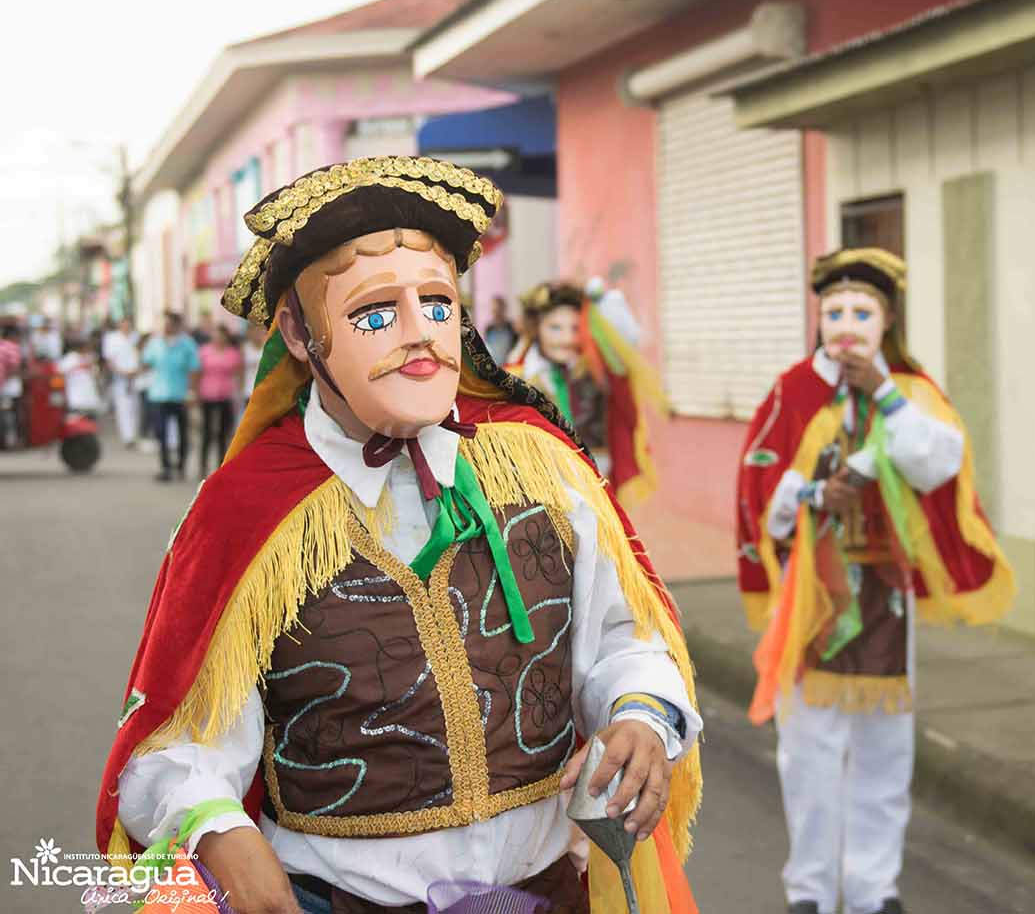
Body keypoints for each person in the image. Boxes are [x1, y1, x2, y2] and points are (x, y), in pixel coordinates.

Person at [97, 156, 703, 914]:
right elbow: (175, 746)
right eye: (376, 312)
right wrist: (217, 829)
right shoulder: (242, 512)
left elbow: (625, 637)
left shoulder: (543, 464)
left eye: (439, 303)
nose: (420, 337)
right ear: (297, 331)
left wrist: (642, 713)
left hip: (547, 895)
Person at [736, 248, 1018, 914]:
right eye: (833, 311)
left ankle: (872, 890)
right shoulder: (793, 390)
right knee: (808, 753)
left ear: (887, 321)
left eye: (862, 311)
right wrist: (811, 492)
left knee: (884, 754)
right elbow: (760, 479)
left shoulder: (910, 391)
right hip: (815, 592)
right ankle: (809, 891)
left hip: (885, 594)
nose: (846, 324)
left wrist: (883, 394)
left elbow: (935, 463)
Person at [510, 278, 664, 506]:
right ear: (536, 328)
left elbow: (628, 341)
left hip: (594, 477)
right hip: (543, 485)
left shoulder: (595, 369)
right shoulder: (519, 376)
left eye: (574, 328)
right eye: (555, 328)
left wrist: (604, 304)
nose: (566, 338)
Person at [142, 311, 200, 482]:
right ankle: (166, 467)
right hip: (159, 394)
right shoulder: (155, 343)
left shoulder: (187, 344)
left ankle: (181, 465)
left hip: (180, 394)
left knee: (183, 432)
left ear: (176, 325)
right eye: (163, 323)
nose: (165, 326)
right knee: (161, 432)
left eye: (168, 323)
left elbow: (194, 369)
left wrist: (192, 391)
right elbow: (146, 363)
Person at [196, 323, 244, 477]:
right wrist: (194, 392)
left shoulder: (233, 353)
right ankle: (202, 466)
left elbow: (239, 373)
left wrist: (239, 392)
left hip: (226, 395)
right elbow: (197, 372)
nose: (218, 338)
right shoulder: (204, 352)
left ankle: (221, 466)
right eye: (216, 334)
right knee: (207, 432)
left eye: (221, 335)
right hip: (207, 394)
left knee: (223, 433)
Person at [101, 317, 142, 447]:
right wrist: (122, 372)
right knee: (123, 408)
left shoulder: (136, 337)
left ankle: (134, 435)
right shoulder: (111, 338)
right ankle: (127, 437)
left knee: (135, 408)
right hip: (120, 378)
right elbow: (109, 360)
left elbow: (142, 354)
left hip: (136, 377)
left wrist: (136, 371)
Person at [59, 337, 103, 417]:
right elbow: (61, 371)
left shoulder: (90, 358)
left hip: (90, 399)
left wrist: (91, 366)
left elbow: (96, 374)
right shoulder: (70, 358)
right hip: (76, 400)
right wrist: (79, 366)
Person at [482, 294, 518, 363]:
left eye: (498, 310)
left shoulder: (511, 328)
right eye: (494, 311)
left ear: (503, 309)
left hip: (509, 366)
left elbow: (515, 349)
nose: (496, 314)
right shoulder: (489, 329)